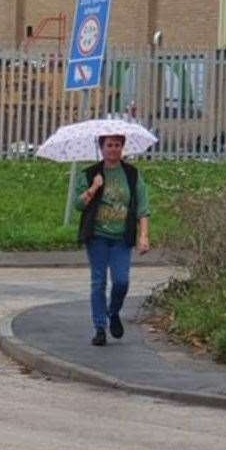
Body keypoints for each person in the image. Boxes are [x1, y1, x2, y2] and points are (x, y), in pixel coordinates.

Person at [73, 134, 151, 346]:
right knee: (98, 282)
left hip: (121, 238)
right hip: (97, 237)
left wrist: (143, 235)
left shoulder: (132, 174)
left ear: (122, 148)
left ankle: (113, 311)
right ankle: (100, 328)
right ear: (101, 147)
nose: (113, 149)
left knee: (121, 282)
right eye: (109, 145)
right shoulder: (90, 174)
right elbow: (78, 205)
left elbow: (143, 208)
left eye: (117, 145)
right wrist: (93, 188)